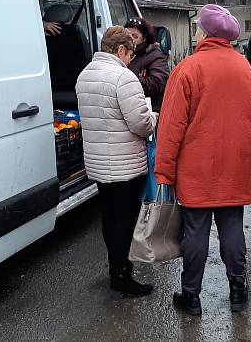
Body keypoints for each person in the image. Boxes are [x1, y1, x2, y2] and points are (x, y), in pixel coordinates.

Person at [155, 4, 251, 315]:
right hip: (235, 166)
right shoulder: (246, 69)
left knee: (195, 232)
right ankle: (238, 291)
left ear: (203, 31)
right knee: (232, 228)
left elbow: (171, 125)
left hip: (196, 169)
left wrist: (164, 172)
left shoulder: (188, 69)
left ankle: (191, 296)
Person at [75, 26, 158, 298]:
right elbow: (141, 125)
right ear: (120, 50)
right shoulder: (124, 78)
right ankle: (122, 275)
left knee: (109, 217)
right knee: (124, 219)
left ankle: (115, 268)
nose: (131, 60)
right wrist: (154, 117)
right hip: (125, 166)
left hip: (99, 164)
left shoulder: (85, 75)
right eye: (130, 54)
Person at [124, 17, 170, 111]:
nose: (130, 40)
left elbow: (158, 82)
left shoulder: (155, 56)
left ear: (144, 38)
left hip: (148, 113)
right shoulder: (121, 54)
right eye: (127, 36)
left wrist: (128, 82)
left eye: (134, 36)